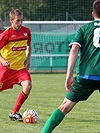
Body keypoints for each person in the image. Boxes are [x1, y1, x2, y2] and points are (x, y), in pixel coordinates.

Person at [41, 0, 100, 132]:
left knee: (64, 107)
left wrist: (69, 75)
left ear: (92, 14)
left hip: (86, 75)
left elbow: (74, 49)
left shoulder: (84, 29)